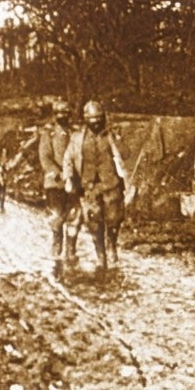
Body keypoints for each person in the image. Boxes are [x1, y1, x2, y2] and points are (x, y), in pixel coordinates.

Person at [66, 100, 126, 274]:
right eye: (92, 119)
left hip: (111, 184)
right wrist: (69, 178)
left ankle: (112, 246)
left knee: (114, 220)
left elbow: (125, 155)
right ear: (86, 119)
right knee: (94, 224)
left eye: (99, 118)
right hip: (89, 186)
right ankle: (101, 257)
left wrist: (119, 140)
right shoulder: (78, 138)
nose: (96, 122)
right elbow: (68, 159)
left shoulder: (111, 136)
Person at [38, 98, 83, 277]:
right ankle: (57, 250)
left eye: (65, 113)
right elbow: (45, 158)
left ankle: (71, 250)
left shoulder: (75, 133)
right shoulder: (48, 134)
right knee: (57, 218)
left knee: (74, 218)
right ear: (54, 115)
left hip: (74, 184)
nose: (62, 116)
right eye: (59, 113)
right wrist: (62, 173)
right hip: (55, 184)